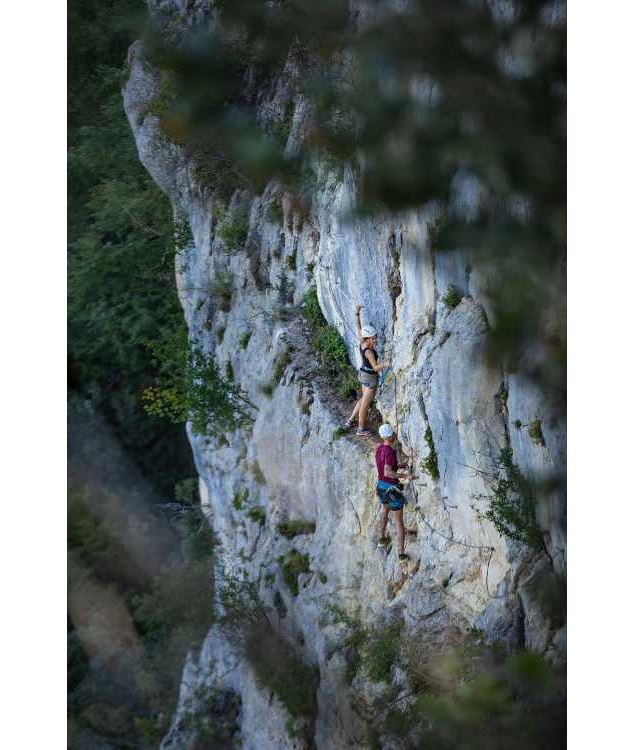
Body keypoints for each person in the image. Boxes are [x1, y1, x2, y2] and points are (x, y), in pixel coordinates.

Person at [344, 304, 387, 437]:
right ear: (367, 339)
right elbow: (375, 367)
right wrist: (386, 363)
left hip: (363, 375)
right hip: (370, 378)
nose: (375, 339)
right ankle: (361, 429)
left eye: (374, 337)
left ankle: (350, 420)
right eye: (373, 338)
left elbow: (358, 327)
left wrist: (357, 313)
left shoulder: (362, 342)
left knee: (362, 400)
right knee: (365, 405)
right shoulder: (368, 351)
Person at [375, 423, 413, 563]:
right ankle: (401, 554)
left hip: (381, 488)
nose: (395, 435)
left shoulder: (379, 449)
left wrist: (399, 466)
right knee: (399, 522)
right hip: (391, 490)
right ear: (391, 436)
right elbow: (388, 471)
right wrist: (405, 477)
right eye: (394, 434)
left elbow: (385, 466)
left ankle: (382, 538)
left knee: (385, 511)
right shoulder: (390, 451)